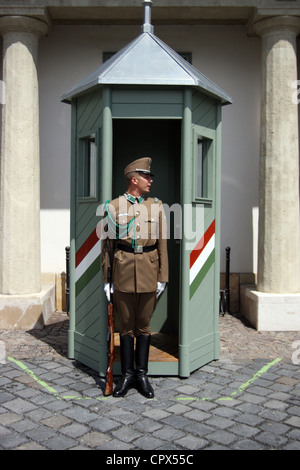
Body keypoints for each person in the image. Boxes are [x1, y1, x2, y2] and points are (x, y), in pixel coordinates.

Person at [101, 157, 168, 398]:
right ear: (134, 179)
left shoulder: (157, 206)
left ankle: (142, 375)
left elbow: (162, 245)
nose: (150, 180)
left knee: (144, 326)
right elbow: (106, 246)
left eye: (150, 176)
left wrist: (163, 277)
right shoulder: (113, 207)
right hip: (123, 270)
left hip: (150, 270)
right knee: (126, 327)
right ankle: (127, 375)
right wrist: (107, 280)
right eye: (146, 176)